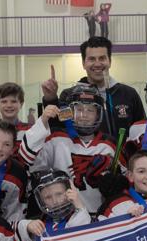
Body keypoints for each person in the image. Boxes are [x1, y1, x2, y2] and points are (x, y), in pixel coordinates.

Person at [24, 84, 117, 216]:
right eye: (79, 109)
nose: (84, 115)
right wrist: (43, 120)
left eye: (90, 110)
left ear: (98, 114)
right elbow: (27, 159)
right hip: (65, 218)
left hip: (101, 217)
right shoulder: (56, 139)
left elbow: (123, 182)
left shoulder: (110, 145)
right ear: (69, 112)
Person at [41, 36, 145, 137]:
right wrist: (51, 99)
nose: (97, 64)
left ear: (110, 61)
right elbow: (57, 130)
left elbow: (142, 130)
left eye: (102, 58)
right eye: (92, 59)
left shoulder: (129, 94)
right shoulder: (69, 96)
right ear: (83, 63)